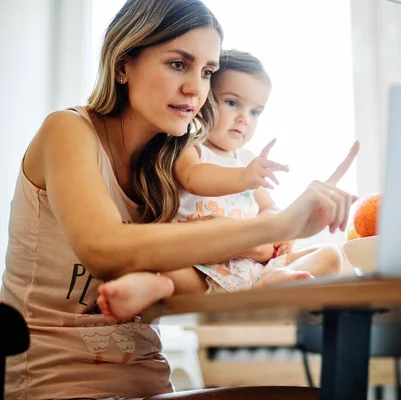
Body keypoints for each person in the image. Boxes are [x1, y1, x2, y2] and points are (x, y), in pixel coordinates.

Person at [0, 0, 358, 399]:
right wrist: (273, 225)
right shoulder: (67, 130)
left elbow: (192, 284)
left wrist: (262, 249)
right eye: (177, 64)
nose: (196, 89)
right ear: (123, 63)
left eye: (206, 72)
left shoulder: (167, 170)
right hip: (58, 386)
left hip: (150, 384)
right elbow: (104, 250)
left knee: (319, 395)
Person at [95, 50, 345, 322]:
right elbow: (195, 178)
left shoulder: (249, 161)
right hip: (201, 267)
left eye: (255, 111)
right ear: (204, 100)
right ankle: (148, 289)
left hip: (252, 270)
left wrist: (280, 228)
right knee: (161, 272)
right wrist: (245, 177)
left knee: (330, 254)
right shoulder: (190, 149)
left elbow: (269, 209)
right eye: (232, 102)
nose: (244, 118)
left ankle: (277, 281)